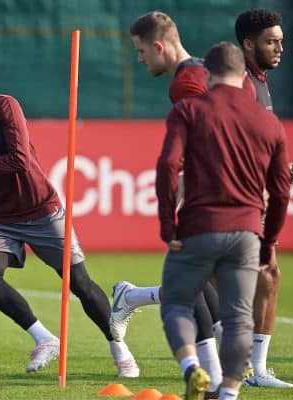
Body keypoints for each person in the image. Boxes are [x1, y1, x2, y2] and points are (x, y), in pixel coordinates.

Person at [0, 56, 139, 377]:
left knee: (79, 284)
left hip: (43, 210)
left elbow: (19, 160)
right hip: (0, 219)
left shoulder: (3, 107)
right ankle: (44, 339)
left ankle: (119, 348)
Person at [157, 41, 290, 400]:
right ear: (243, 76)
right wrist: (270, 238)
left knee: (176, 302)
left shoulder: (189, 110)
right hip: (247, 231)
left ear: (208, 74)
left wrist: (168, 223)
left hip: (199, 226)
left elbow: (169, 165)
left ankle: (191, 367)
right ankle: (230, 394)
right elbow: (280, 192)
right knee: (238, 318)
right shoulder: (269, 122)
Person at [112, 11, 223, 395]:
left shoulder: (185, 85)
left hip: (211, 198)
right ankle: (216, 377)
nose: (140, 59)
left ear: (159, 46)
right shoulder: (208, 71)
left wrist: (184, 181)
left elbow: (207, 140)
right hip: (230, 196)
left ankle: (211, 379)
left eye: (142, 52)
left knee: (189, 284)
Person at [235, 8, 293, 388]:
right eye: (271, 41)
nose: (279, 48)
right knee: (263, 273)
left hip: (249, 191)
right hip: (237, 195)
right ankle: (253, 369)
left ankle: (133, 297)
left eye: (281, 41)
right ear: (248, 43)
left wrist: (279, 165)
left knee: (255, 275)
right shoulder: (242, 83)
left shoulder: (260, 80)